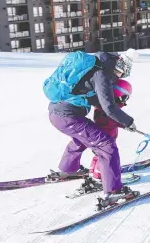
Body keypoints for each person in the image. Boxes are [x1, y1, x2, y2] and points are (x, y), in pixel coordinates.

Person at [46, 48, 140, 208]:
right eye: (121, 74)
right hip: (68, 116)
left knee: (81, 139)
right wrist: (128, 122)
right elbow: (108, 107)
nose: (119, 78)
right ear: (118, 67)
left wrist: (120, 119)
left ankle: (69, 169)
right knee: (106, 145)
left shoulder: (92, 66)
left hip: (56, 114)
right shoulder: (101, 75)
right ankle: (114, 192)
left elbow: (93, 98)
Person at [88, 78, 132, 181]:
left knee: (99, 155)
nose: (125, 101)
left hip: (98, 139)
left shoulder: (102, 106)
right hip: (105, 140)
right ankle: (99, 176)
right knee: (106, 157)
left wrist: (125, 125)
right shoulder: (110, 112)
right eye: (124, 98)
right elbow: (116, 120)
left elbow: (115, 120)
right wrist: (126, 124)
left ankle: (92, 171)